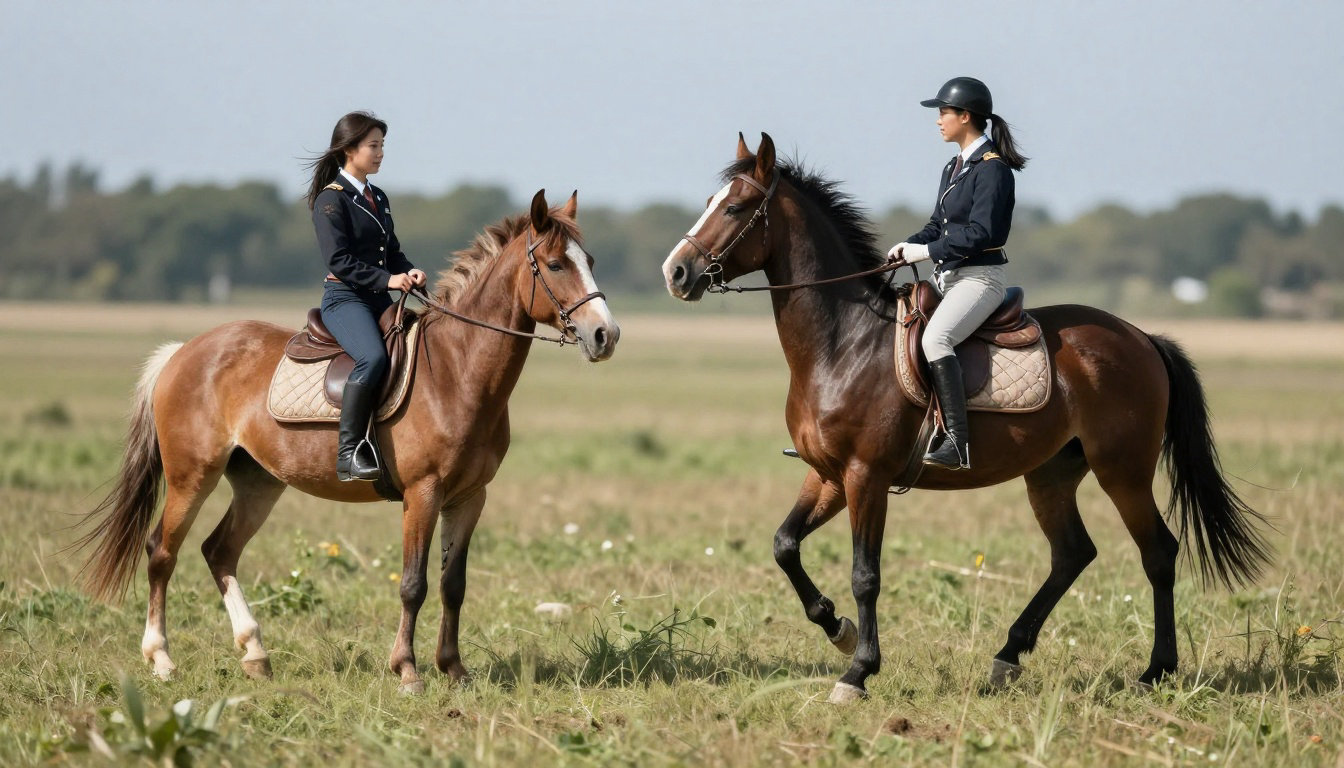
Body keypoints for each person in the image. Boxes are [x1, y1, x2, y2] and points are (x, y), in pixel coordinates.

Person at [888, 77, 1028, 470]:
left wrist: (927, 250)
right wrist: (906, 246)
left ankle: (957, 441)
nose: (938, 121)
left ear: (965, 116)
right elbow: (938, 224)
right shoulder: (954, 166)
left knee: (936, 338)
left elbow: (984, 233)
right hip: (947, 277)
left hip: (980, 279)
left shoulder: (993, 170)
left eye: (943, 112)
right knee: (895, 328)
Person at [306, 111, 427, 481]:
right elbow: (338, 260)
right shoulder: (331, 201)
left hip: (379, 297)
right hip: (345, 299)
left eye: (382, 146)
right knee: (373, 358)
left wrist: (409, 272)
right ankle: (349, 452)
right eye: (373, 146)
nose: (380, 153)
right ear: (349, 150)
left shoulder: (378, 197)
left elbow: (391, 251)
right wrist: (389, 280)